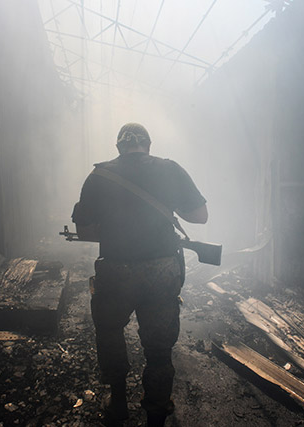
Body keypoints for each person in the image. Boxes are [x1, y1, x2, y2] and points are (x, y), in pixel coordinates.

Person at [72, 123, 208, 426]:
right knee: (159, 350)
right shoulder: (170, 169)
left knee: (109, 332)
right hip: (162, 271)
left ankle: (118, 401)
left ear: (119, 147)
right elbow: (200, 216)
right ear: (148, 145)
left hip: (116, 270)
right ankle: (156, 416)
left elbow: (84, 231)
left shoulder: (98, 175)